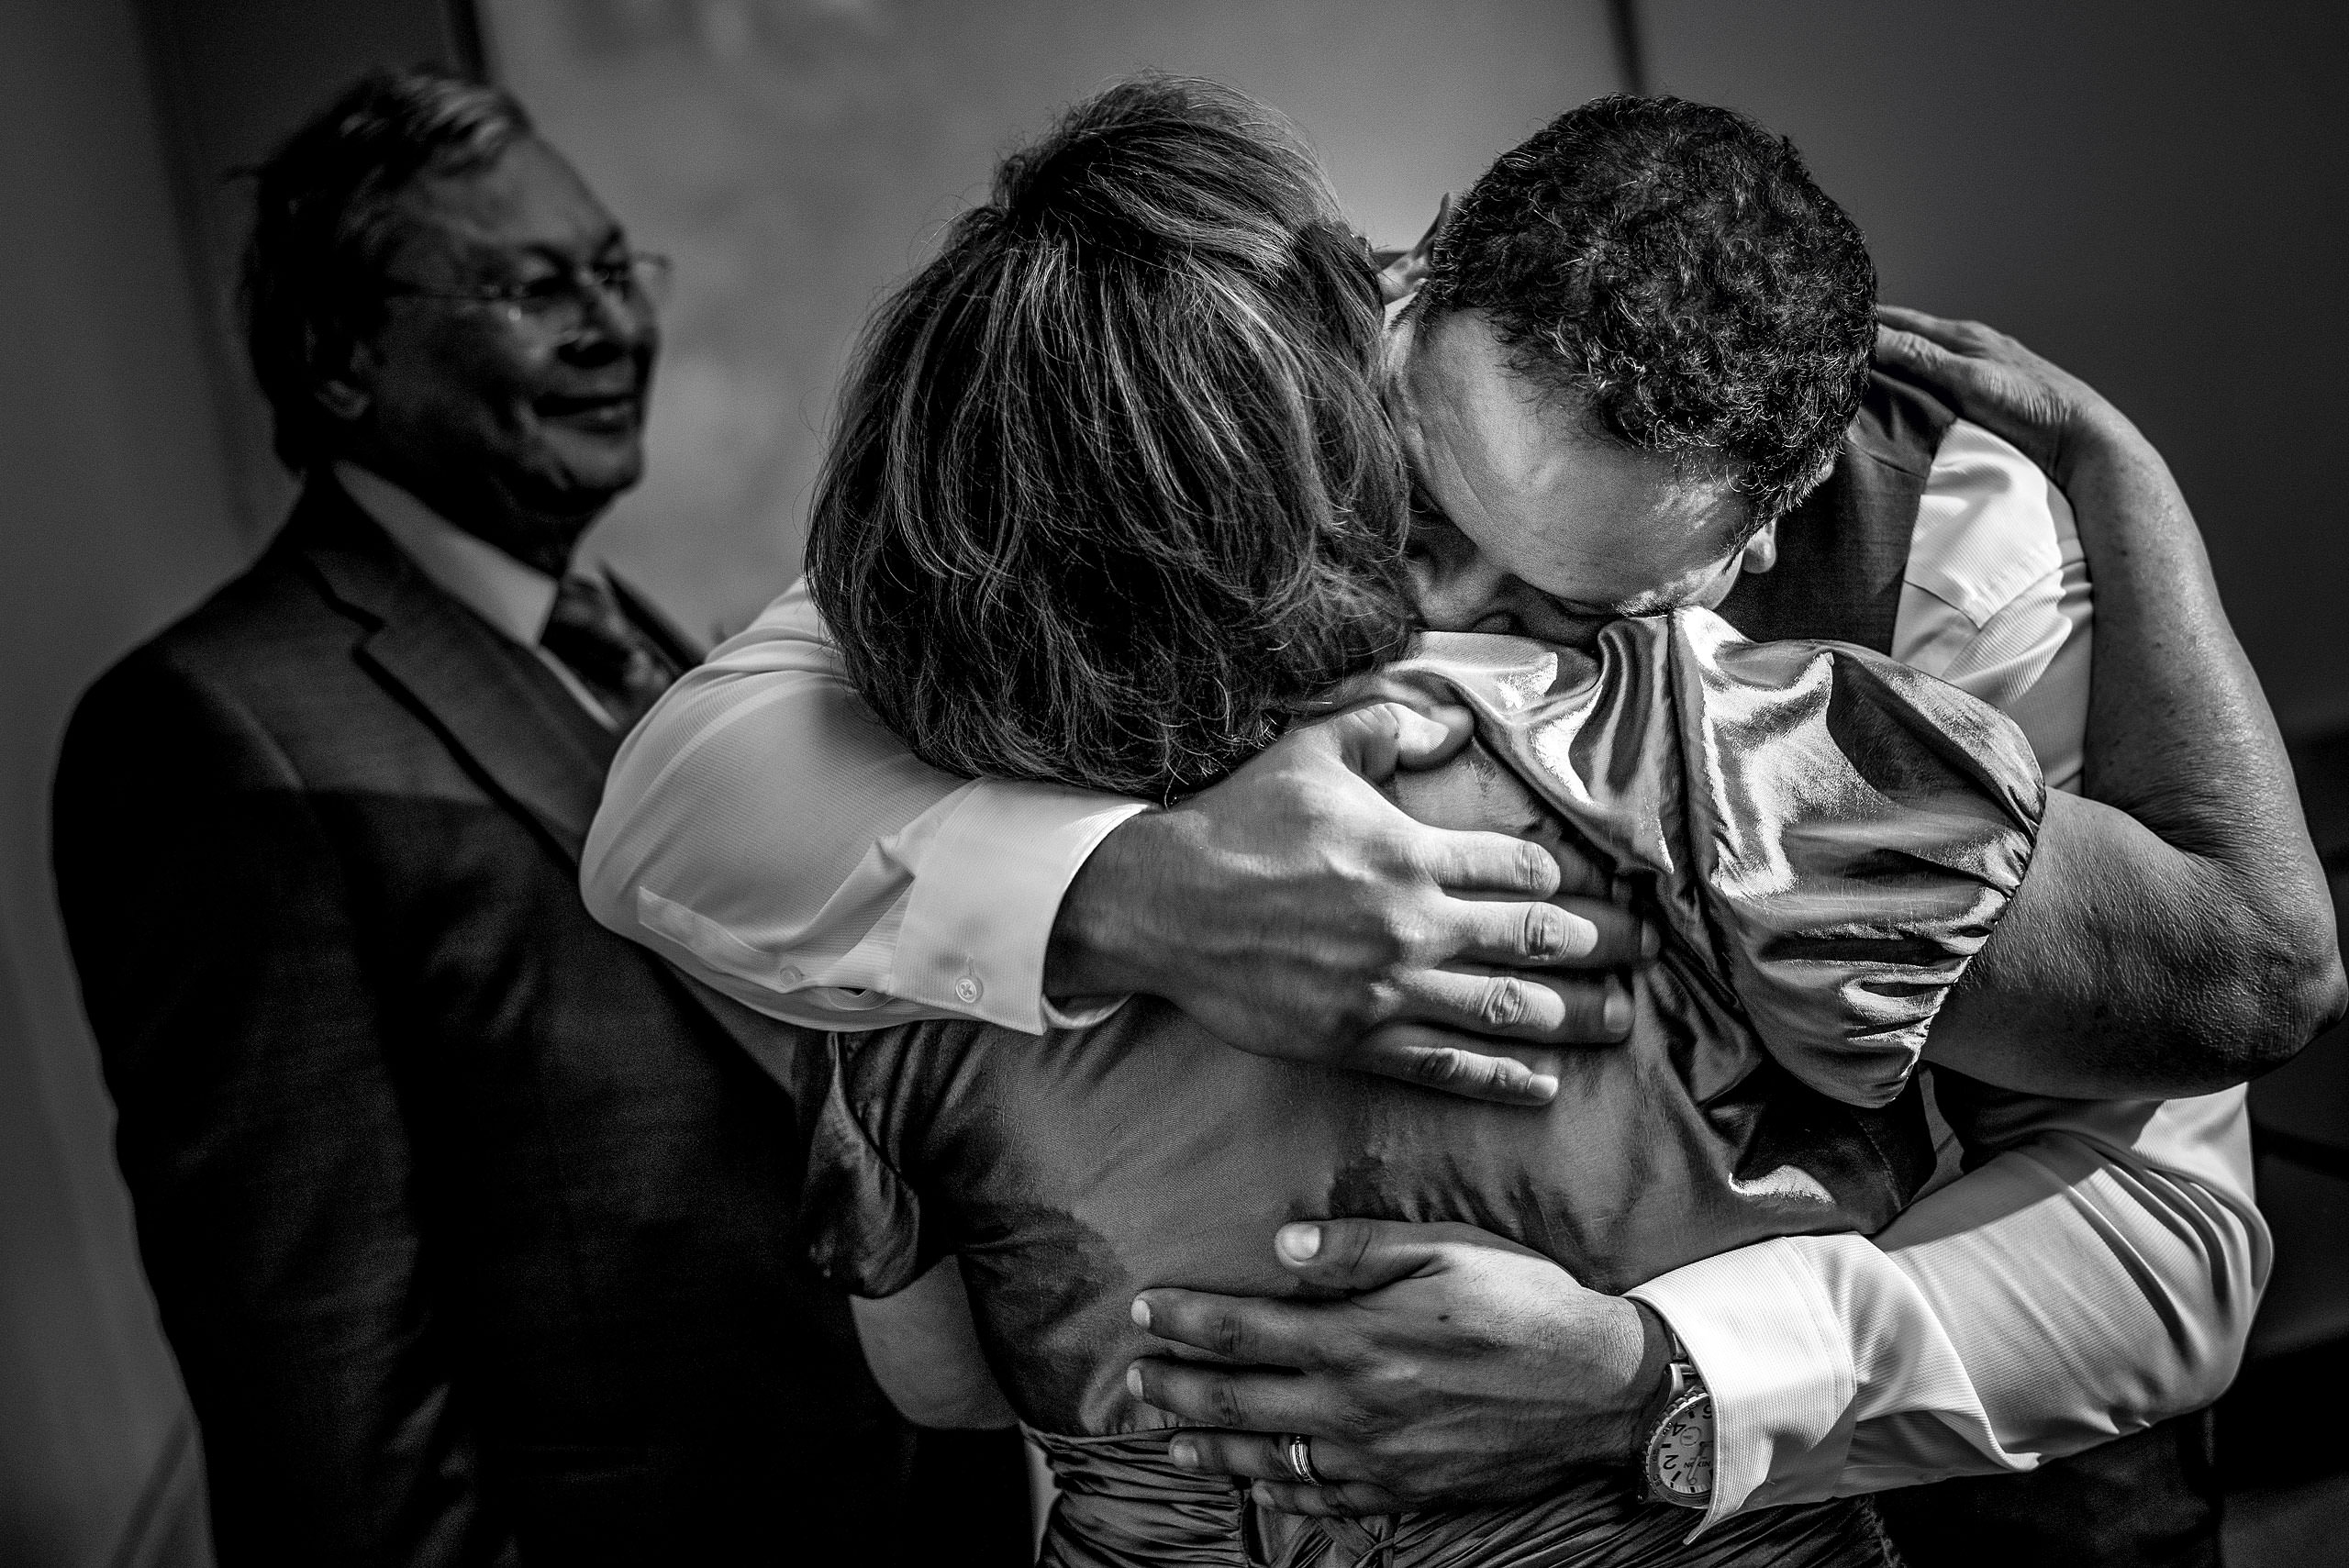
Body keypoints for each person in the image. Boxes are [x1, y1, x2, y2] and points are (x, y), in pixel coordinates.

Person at [581, 90, 2335, 1547]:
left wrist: (1660, 1373)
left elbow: (2165, 1228)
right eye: (1420, 513)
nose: (1458, 631)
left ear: (1760, 526)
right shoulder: (1207, 422)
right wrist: (1127, 893)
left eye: (1573, 610)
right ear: (1409, 293)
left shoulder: (1957, 552)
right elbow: (676, 791)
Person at [51, 68, 1024, 1564]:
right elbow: (325, 1391)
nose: (611, 326)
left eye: (613, 269)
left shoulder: (651, 648)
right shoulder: (213, 730)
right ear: (339, 358)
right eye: (527, 286)